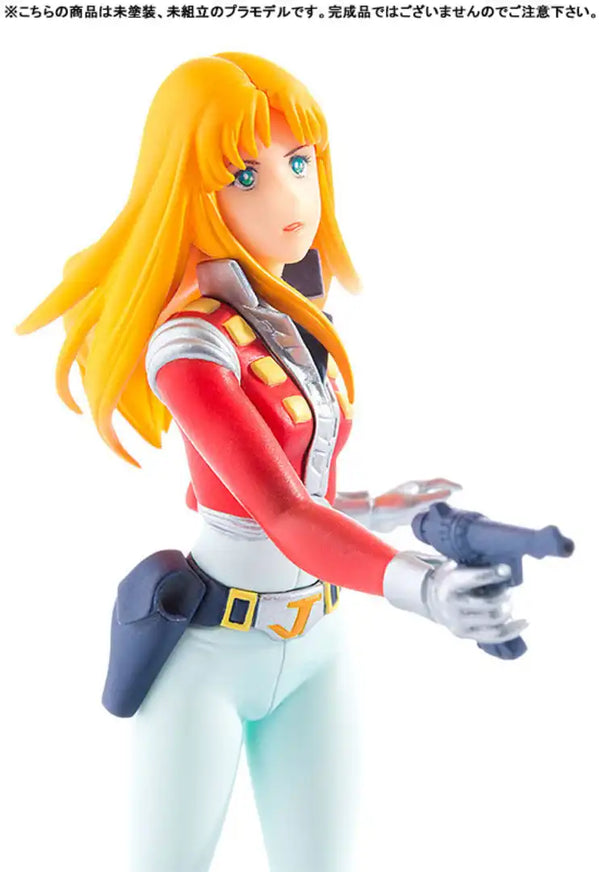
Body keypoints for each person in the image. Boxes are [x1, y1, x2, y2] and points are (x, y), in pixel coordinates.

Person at [16, 53, 525, 872]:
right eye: (246, 175)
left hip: (319, 640)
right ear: (195, 193)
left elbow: (304, 493)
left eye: (300, 162)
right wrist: (422, 587)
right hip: (211, 655)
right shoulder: (191, 344)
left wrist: (387, 508)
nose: (291, 198)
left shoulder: (296, 320)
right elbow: (279, 513)